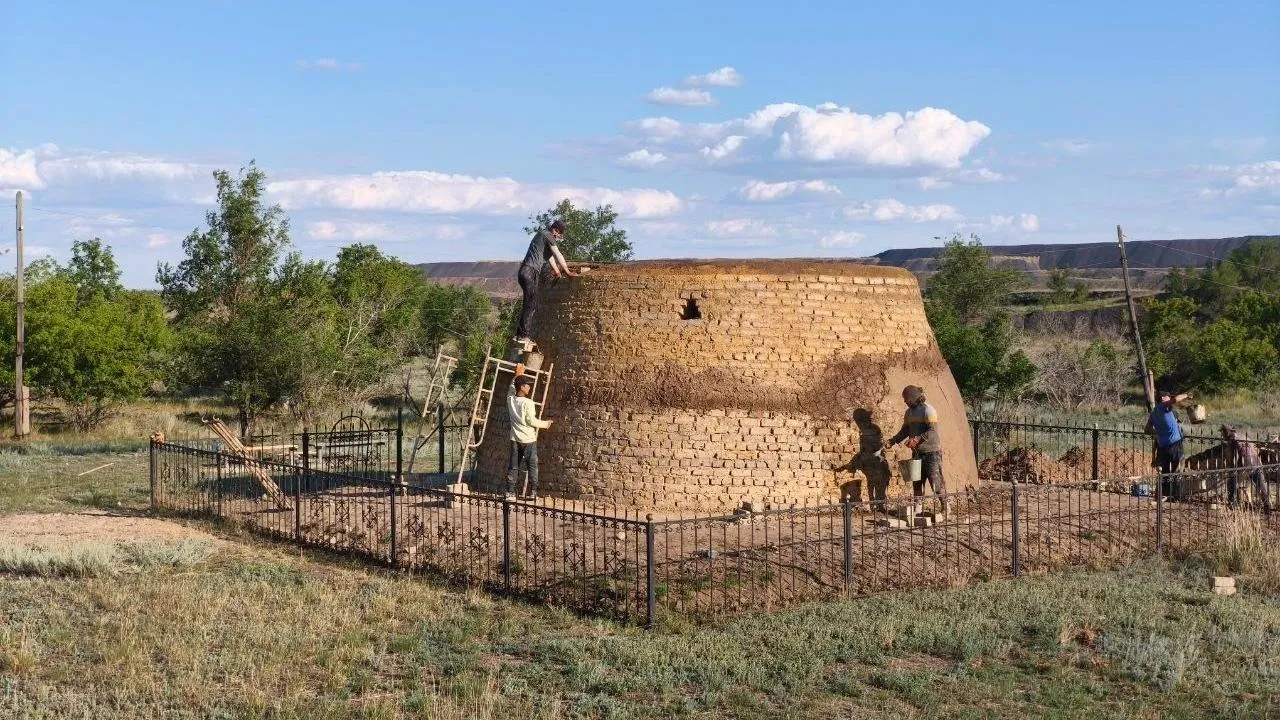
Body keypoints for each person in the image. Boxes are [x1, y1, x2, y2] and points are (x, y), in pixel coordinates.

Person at [885, 385, 947, 513]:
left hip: (931, 452)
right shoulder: (909, 413)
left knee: (935, 482)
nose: (905, 401)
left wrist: (916, 439)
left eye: (906, 398)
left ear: (913, 397)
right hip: (917, 453)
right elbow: (905, 430)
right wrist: (893, 440)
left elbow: (932, 431)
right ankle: (918, 509)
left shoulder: (928, 410)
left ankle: (946, 507)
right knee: (917, 482)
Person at [515, 220, 576, 345]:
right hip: (530, 272)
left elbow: (550, 257)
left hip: (525, 272)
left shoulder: (542, 237)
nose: (558, 237)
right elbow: (558, 254)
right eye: (559, 234)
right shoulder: (547, 235)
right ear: (555, 230)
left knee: (529, 303)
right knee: (531, 304)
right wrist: (568, 272)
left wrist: (557, 271)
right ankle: (522, 335)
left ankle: (519, 334)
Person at [507, 366, 552, 499]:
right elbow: (531, 421)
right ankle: (533, 492)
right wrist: (546, 424)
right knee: (532, 466)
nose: (529, 388)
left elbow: (511, 388)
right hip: (528, 440)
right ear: (521, 387)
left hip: (515, 438)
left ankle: (510, 492)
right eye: (527, 385)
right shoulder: (528, 403)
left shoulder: (510, 400)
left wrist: (517, 375)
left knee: (513, 466)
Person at [1221, 424, 1274, 515]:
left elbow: (1231, 457)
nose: (1222, 434)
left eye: (1223, 432)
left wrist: (1232, 470)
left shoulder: (1232, 441)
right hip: (1256, 462)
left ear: (1228, 431)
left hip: (1245, 464)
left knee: (1232, 483)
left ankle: (1232, 505)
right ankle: (1268, 508)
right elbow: (1256, 450)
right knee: (1261, 487)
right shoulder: (1244, 437)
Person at [1146, 390, 1190, 498]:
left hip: (1163, 446)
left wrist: (1159, 432)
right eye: (1167, 397)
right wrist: (1186, 395)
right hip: (1175, 444)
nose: (1169, 399)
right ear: (1162, 399)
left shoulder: (1153, 413)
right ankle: (1175, 495)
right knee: (1177, 469)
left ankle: (1162, 494)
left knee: (1165, 471)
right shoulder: (1162, 406)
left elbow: (1146, 429)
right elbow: (1175, 400)